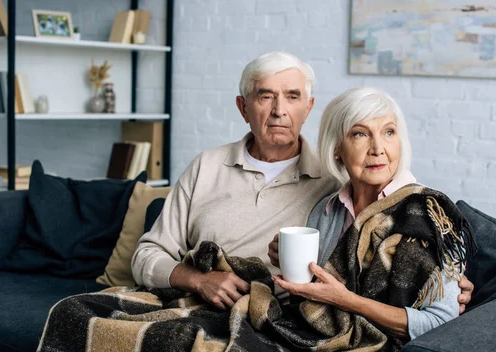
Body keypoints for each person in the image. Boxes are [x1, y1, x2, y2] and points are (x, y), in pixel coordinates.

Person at [132, 51, 473, 312]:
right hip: (191, 298)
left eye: (293, 97)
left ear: (308, 108)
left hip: (266, 311)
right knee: (80, 314)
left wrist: (442, 280)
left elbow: (398, 212)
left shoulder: (336, 178)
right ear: (243, 107)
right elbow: (146, 254)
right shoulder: (206, 166)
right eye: (266, 96)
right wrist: (199, 280)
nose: (280, 110)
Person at [269, 87, 471, 340]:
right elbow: (312, 300)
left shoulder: (429, 214)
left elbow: (440, 322)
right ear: (336, 148)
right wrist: (290, 265)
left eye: (388, 132)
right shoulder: (327, 211)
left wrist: (348, 301)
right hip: (325, 338)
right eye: (360, 134)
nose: (378, 148)